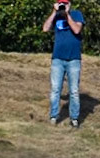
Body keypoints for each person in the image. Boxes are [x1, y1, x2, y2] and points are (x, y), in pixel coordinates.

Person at [42, 0, 84, 128]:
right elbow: (45, 28)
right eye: (61, 3)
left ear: (70, 4)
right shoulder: (56, 16)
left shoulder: (77, 14)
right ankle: (54, 116)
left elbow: (77, 30)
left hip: (73, 59)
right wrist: (54, 12)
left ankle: (74, 118)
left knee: (74, 91)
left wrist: (67, 15)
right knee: (55, 89)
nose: (63, 6)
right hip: (58, 59)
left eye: (65, 3)